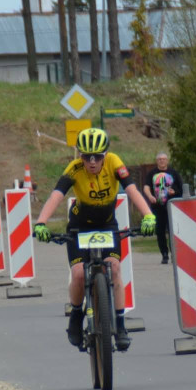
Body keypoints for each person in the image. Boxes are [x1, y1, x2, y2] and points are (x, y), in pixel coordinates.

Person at [33, 128, 156, 351]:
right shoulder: (74, 168)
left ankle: (120, 325)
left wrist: (148, 215)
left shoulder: (114, 162)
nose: (91, 162)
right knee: (79, 273)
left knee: (115, 268)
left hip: (107, 224)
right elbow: (57, 195)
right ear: (80, 155)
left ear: (105, 155)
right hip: (80, 226)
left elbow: (132, 190)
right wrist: (41, 222)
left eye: (97, 156)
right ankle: (76, 315)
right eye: (86, 156)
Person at [142, 152, 184, 264]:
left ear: (167, 160)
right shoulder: (152, 173)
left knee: (172, 231)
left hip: (171, 207)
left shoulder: (174, 173)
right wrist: (150, 196)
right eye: (159, 159)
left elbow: (181, 189)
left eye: (164, 159)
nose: (162, 161)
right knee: (160, 232)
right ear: (157, 161)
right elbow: (146, 187)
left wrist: (174, 192)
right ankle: (164, 254)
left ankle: (174, 254)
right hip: (157, 207)